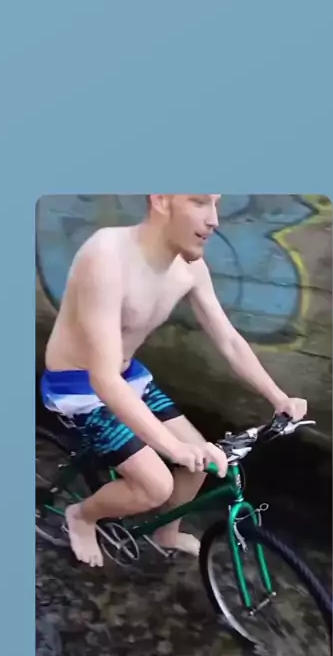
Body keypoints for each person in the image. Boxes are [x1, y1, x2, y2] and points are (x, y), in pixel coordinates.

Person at [40, 194, 307, 567]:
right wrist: (172, 447)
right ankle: (82, 517)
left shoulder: (190, 268)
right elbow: (103, 379)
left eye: (216, 204)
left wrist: (278, 397)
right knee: (156, 486)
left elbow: (229, 341)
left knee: (205, 460)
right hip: (79, 387)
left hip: (127, 376)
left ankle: (166, 532)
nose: (214, 219)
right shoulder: (106, 257)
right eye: (199, 202)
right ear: (162, 200)